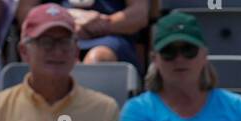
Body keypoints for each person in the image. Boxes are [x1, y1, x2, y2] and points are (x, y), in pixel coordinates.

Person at [16, 0, 149, 74]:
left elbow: (139, 14)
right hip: (53, 33)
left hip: (110, 38)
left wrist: (102, 24)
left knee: (98, 58)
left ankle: (84, 116)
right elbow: (25, 12)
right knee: (51, 51)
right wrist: (68, 19)